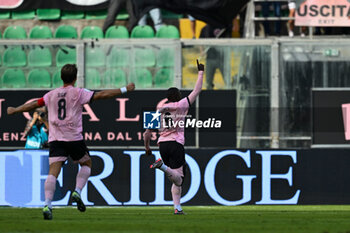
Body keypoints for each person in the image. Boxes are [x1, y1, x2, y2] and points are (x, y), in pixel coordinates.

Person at [7, 64, 135, 220]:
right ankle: (77, 191)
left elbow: (34, 104)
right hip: (73, 138)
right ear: (75, 77)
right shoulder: (78, 92)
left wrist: (15, 110)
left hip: (55, 140)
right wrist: (124, 89)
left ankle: (47, 204)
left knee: (53, 172)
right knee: (87, 164)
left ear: (61, 77)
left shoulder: (50, 95)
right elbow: (102, 95)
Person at [143, 59, 204, 215]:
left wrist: (147, 148)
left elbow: (147, 134)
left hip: (162, 145)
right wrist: (201, 72)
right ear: (178, 96)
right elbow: (197, 90)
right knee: (180, 179)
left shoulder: (159, 110)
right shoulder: (182, 104)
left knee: (175, 177)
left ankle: (177, 208)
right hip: (176, 143)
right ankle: (161, 166)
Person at [199, 24, 232, 89]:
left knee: (227, 81)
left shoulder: (224, 28)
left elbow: (229, 40)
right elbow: (200, 41)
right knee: (208, 81)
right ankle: (209, 94)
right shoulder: (205, 29)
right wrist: (201, 51)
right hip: (210, 58)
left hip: (223, 59)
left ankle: (229, 93)